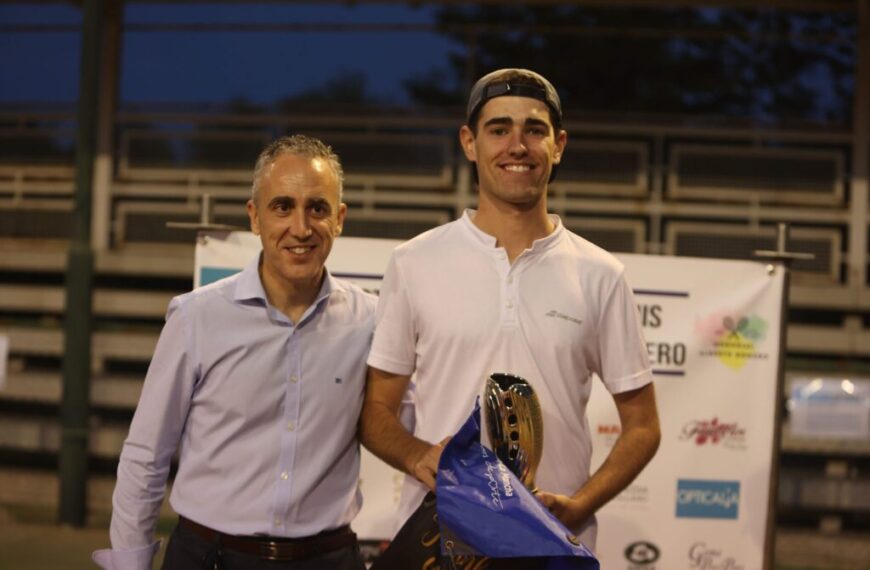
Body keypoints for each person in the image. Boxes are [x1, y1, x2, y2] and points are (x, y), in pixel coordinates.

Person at [359, 68, 661, 551]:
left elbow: (643, 426)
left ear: (558, 145)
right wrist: (418, 456)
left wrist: (579, 506)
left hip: (554, 543)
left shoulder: (601, 274)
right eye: (499, 129)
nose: (516, 146)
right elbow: (376, 410)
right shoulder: (413, 262)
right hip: (441, 545)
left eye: (534, 130)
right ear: (469, 142)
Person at [93, 135, 376, 570]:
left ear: (339, 219)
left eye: (317, 208)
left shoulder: (372, 320)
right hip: (208, 558)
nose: (301, 227)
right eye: (282, 207)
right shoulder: (196, 316)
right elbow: (146, 455)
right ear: (255, 217)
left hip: (330, 558)